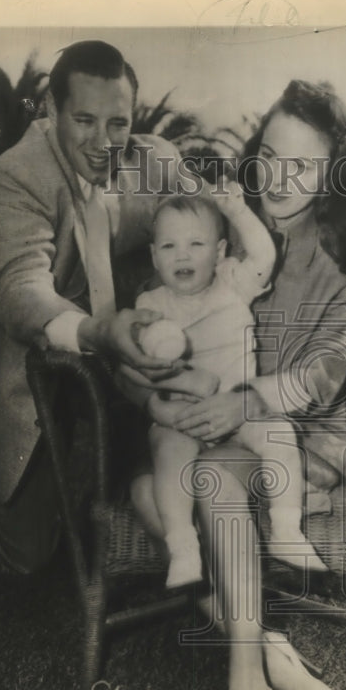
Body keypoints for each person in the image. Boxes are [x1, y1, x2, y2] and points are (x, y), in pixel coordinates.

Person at [130, 80, 346, 690]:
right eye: (269, 158)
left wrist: (243, 404)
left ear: (334, 171)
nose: (279, 180)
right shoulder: (223, 218)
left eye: (303, 167)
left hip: (299, 437)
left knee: (209, 481)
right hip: (203, 421)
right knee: (149, 492)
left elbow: (324, 376)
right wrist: (160, 392)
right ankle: (269, 655)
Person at [0, 40, 180, 574]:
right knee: (23, 555)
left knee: (158, 462)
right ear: (50, 110)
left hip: (118, 352)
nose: (102, 142)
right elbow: (18, 291)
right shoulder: (16, 174)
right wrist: (95, 332)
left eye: (118, 123)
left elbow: (209, 216)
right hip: (30, 364)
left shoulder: (156, 161)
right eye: (84, 120)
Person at [119, 185, 327, 590]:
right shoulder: (151, 304)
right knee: (167, 447)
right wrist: (166, 402)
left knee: (279, 432)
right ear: (154, 257)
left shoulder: (232, 283)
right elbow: (130, 366)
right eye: (168, 246)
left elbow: (264, 256)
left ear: (218, 254)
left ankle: (287, 531)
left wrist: (236, 210)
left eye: (196, 244)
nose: (181, 254)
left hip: (239, 411)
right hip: (184, 417)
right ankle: (182, 547)